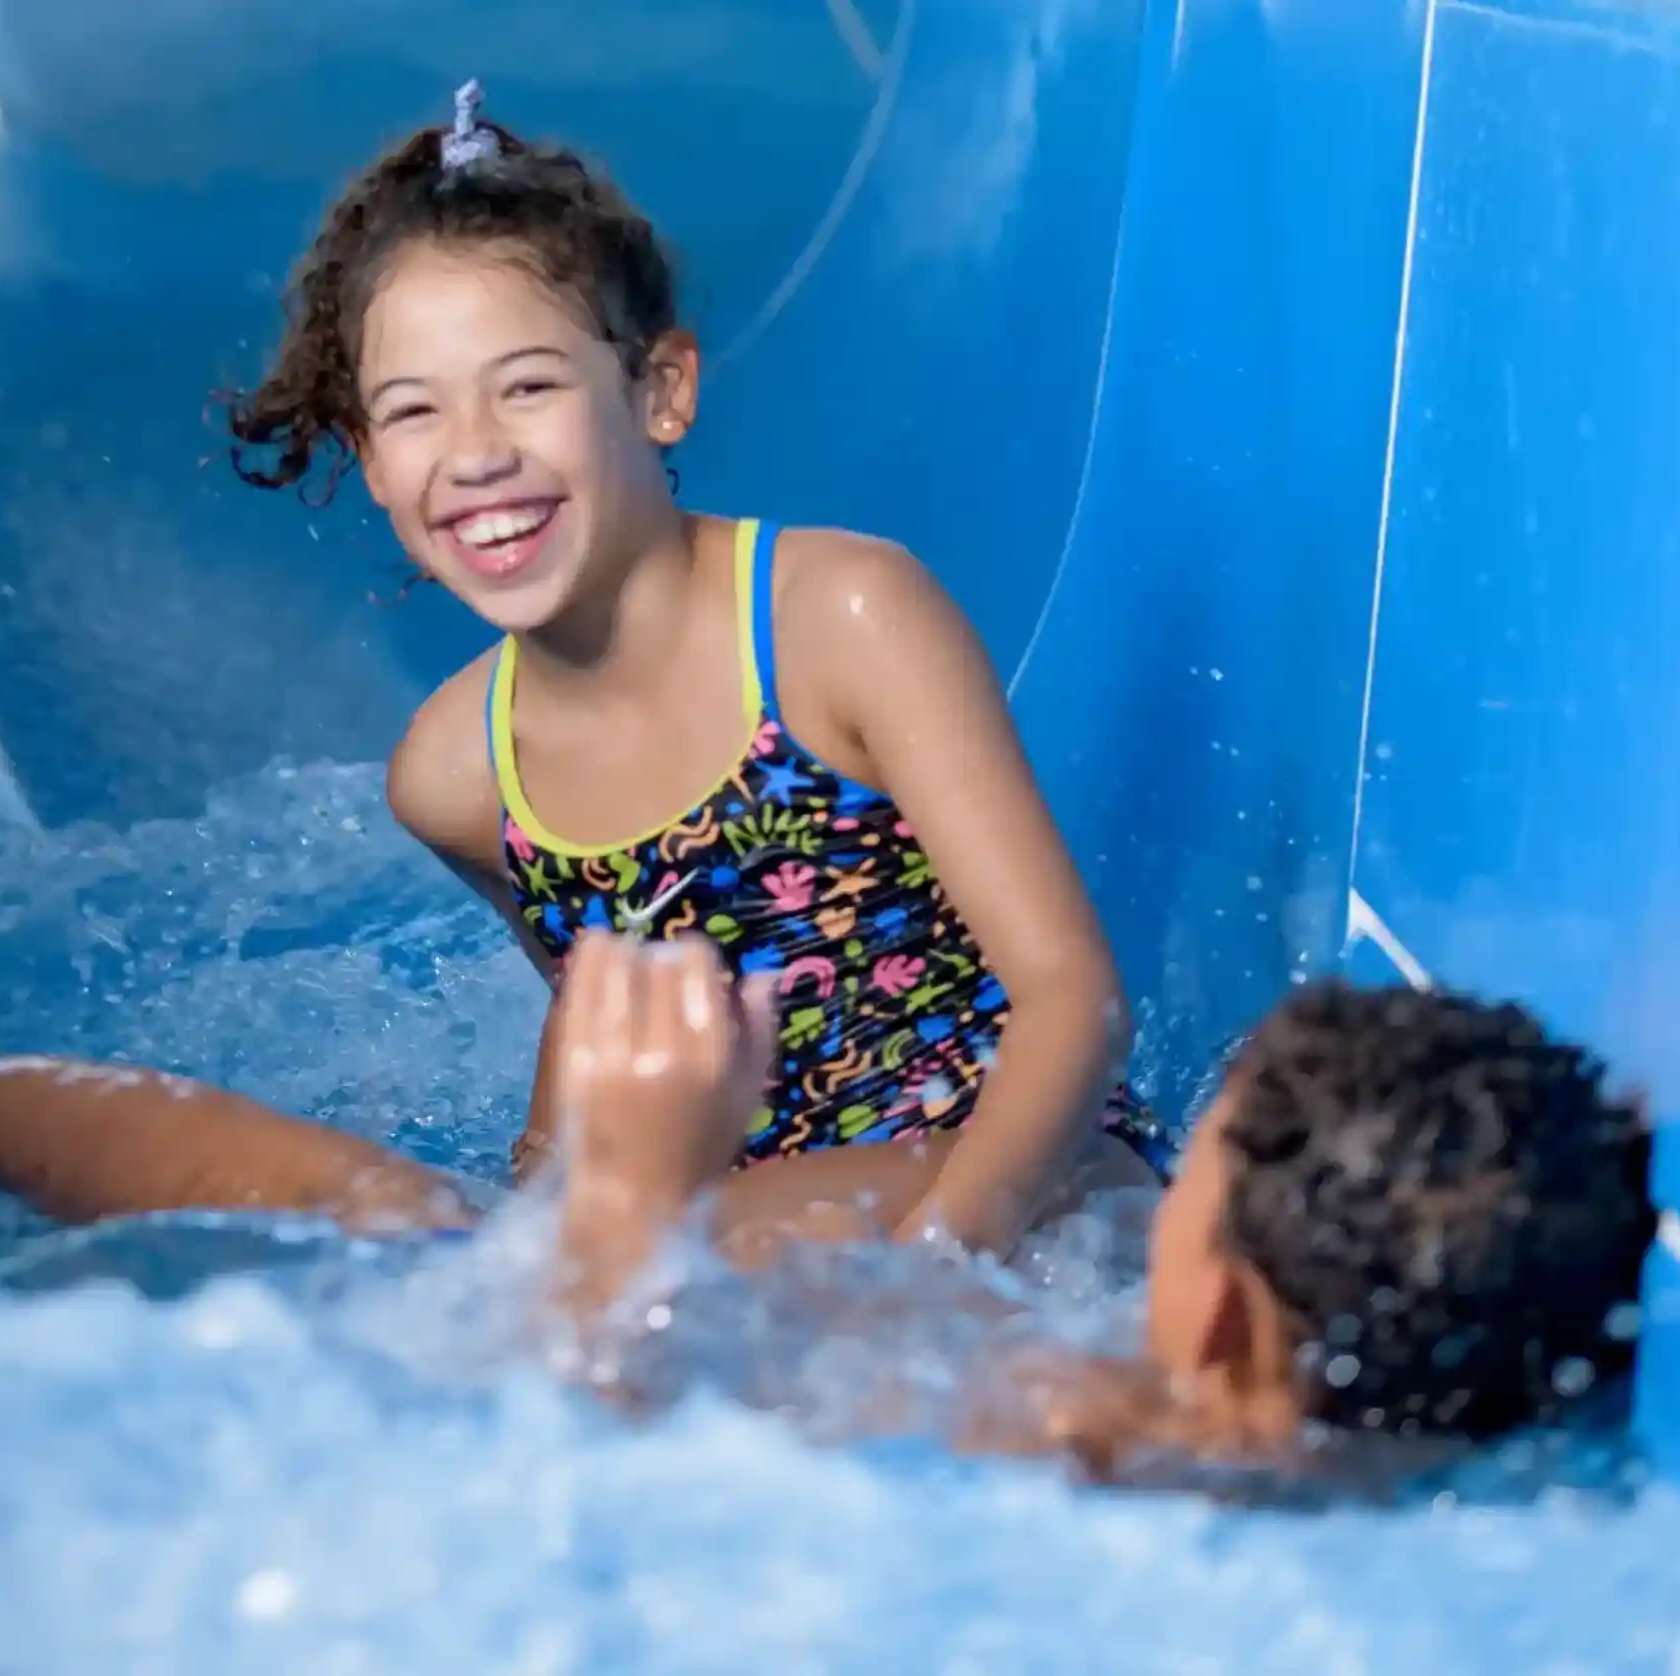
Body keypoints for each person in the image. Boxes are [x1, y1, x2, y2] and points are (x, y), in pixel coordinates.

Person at [219, 79, 1163, 1255]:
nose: (472, 455)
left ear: (658, 389)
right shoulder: (457, 773)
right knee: (444, 1253)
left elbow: (1073, 1002)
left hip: (1028, 1184)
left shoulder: (839, 620)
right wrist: (531, 1214)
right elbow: (599, 1003)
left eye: (528, 387)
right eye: (413, 413)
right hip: (751, 1237)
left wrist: (934, 1274)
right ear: (366, 457)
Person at [0, 932, 1656, 1485]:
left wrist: (625, 1205)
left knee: (394, 1218)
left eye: (1195, 1183)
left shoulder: (1080, 1452)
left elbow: (544, 1482)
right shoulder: (1343, 1462)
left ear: (1230, 1313)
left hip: (483, 1457)